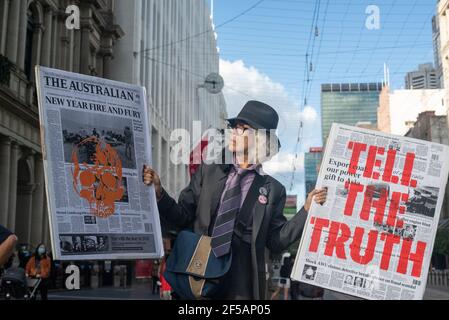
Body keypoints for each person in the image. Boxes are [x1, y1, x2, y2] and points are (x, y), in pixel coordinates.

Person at [143, 100, 327, 300]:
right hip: (198, 274)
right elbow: (182, 217)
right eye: (234, 127)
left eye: (243, 128)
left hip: (242, 285)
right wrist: (160, 193)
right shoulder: (209, 170)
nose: (234, 132)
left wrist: (307, 210)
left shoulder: (274, 190)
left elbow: (276, 242)